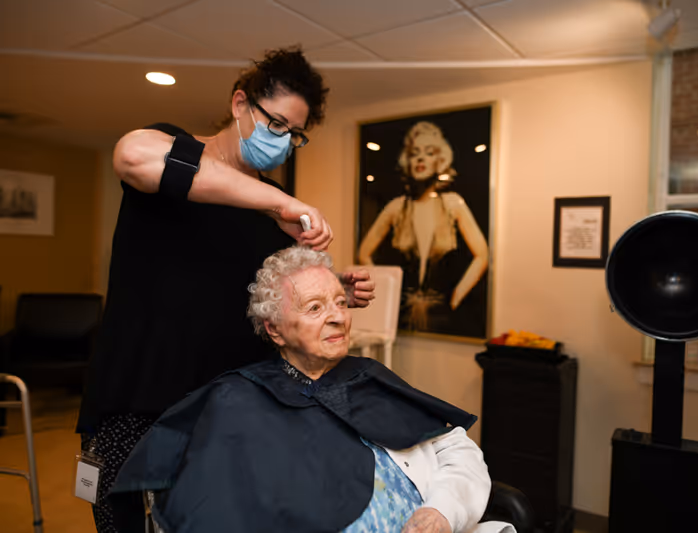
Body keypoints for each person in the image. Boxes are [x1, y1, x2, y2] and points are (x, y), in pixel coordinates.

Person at [77, 48, 374, 533]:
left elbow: (262, 301)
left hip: (224, 418)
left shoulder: (268, 219)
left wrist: (335, 290)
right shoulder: (175, 149)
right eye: (275, 124)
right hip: (138, 402)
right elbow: (132, 155)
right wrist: (281, 200)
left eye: (294, 135)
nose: (282, 141)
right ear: (240, 104)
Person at [111, 246, 514, 533]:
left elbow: (457, 450)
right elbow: (209, 510)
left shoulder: (371, 377)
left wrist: (442, 511)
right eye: (315, 308)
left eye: (340, 302)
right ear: (274, 329)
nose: (338, 317)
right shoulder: (236, 400)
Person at [357, 121, 488, 334]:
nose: (420, 158)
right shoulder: (397, 207)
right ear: (407, 161)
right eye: (415, 153)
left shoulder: (453, 203)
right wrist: (383, 294)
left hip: (443, 316)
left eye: (429, 152)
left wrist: (456, 297)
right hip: (401, 314)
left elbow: (482, 255)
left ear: (440, 161)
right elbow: (364, 253)